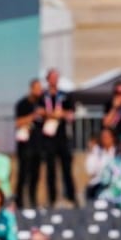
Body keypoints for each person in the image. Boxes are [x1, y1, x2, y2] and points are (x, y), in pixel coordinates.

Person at [40, 70, 74, 205]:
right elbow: (39, 112)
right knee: (51, 170)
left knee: (66, 168)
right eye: (51, 78)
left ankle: (70, 197)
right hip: (48, 137)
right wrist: (53, 114)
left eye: (56, 77)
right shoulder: (43, 96)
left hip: (62, 136)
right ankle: (52, 198)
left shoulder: (65, 95)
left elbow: (70, 114)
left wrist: (60, 114)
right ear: (48, 79)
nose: (54, 80)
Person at [13, 79, 44, 208]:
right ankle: (19, 201)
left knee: (36, 175)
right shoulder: (22, 104)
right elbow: (18, 122)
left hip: (38, 145)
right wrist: (33, 116)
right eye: (37, 88)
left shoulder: (42, 103)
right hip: (25, 146)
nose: (39, 91)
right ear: (31, 88)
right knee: (23, 174)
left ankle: (33, 200)